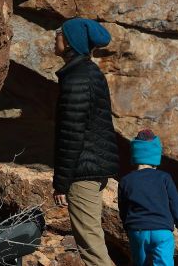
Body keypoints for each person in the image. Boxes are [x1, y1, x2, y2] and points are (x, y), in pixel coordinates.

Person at [52, 17, 119, 266]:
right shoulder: (87, 72)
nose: (54, 38)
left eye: (59, 34)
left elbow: (72, 133)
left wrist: (61, 182)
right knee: (93, 243)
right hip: (91, 169)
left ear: (70, 43)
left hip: (82, 173)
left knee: (92, 250)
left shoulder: (78, 78)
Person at [119, 130, 178, 266]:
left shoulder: (126, 180)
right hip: (162, 231)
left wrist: (128, 227)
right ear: (155, 156)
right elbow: (176, 204)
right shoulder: (164, 177)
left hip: (137, 231)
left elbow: (123, 209)